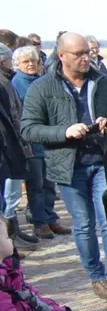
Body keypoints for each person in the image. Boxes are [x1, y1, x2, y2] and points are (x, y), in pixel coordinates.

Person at [19, 32, 107, 303]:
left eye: (87, 52)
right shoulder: (43, 88)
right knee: (84, 225)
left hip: (102, 162)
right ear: (62, 55)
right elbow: (29, 128)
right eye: (78, 53)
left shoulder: (103, 82)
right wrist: (64, 131)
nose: (85, 57)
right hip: (68, 167)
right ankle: (96, 276)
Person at [9, 47, 66, 239]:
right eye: (26, 62)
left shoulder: (43, 81)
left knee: (50, 183)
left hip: (48, 139)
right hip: (31, 142)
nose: (31, 64)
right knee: (36, 185)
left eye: (34, 61)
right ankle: (39, 221)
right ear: (18, 65)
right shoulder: (16, 83)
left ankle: (51, 218)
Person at [1, 46, 38, 246]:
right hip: (9, 144)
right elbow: (12, 116)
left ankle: (12, 232)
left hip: (14, 142)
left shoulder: (6, 81)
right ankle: (8, 238)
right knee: (8, 192)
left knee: (12, 191)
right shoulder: (6, 82)